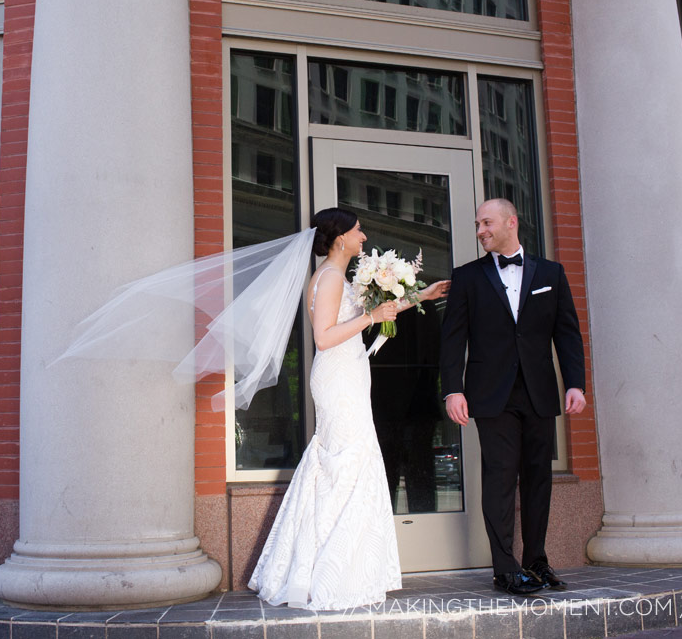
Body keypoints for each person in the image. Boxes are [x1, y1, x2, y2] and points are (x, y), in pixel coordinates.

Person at [247, 208, 450, 610]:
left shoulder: (339, 278)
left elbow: (369, 313)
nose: (364, 236)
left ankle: (350, 565)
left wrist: (419, 296)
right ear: (340, 238)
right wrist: (372, 317)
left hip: (351, 376)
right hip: (337, 377)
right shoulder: (329, 278)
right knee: (344, 463)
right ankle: (330, 571)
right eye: (358, 231)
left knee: (350, 462)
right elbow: (324, 337)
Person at [439, 198, 586, 596]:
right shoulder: (468, 277)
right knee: (500, 479)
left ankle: (536, 561)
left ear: (510, 222)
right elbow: (453, 340)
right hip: (491, 395)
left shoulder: (552, 273)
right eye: (477, 223)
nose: (480, 230)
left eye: (486, 222)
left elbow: (567, 333)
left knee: (538, 479)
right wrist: (453, 388)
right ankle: (505, 568)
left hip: (539, 392)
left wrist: (575, 383)